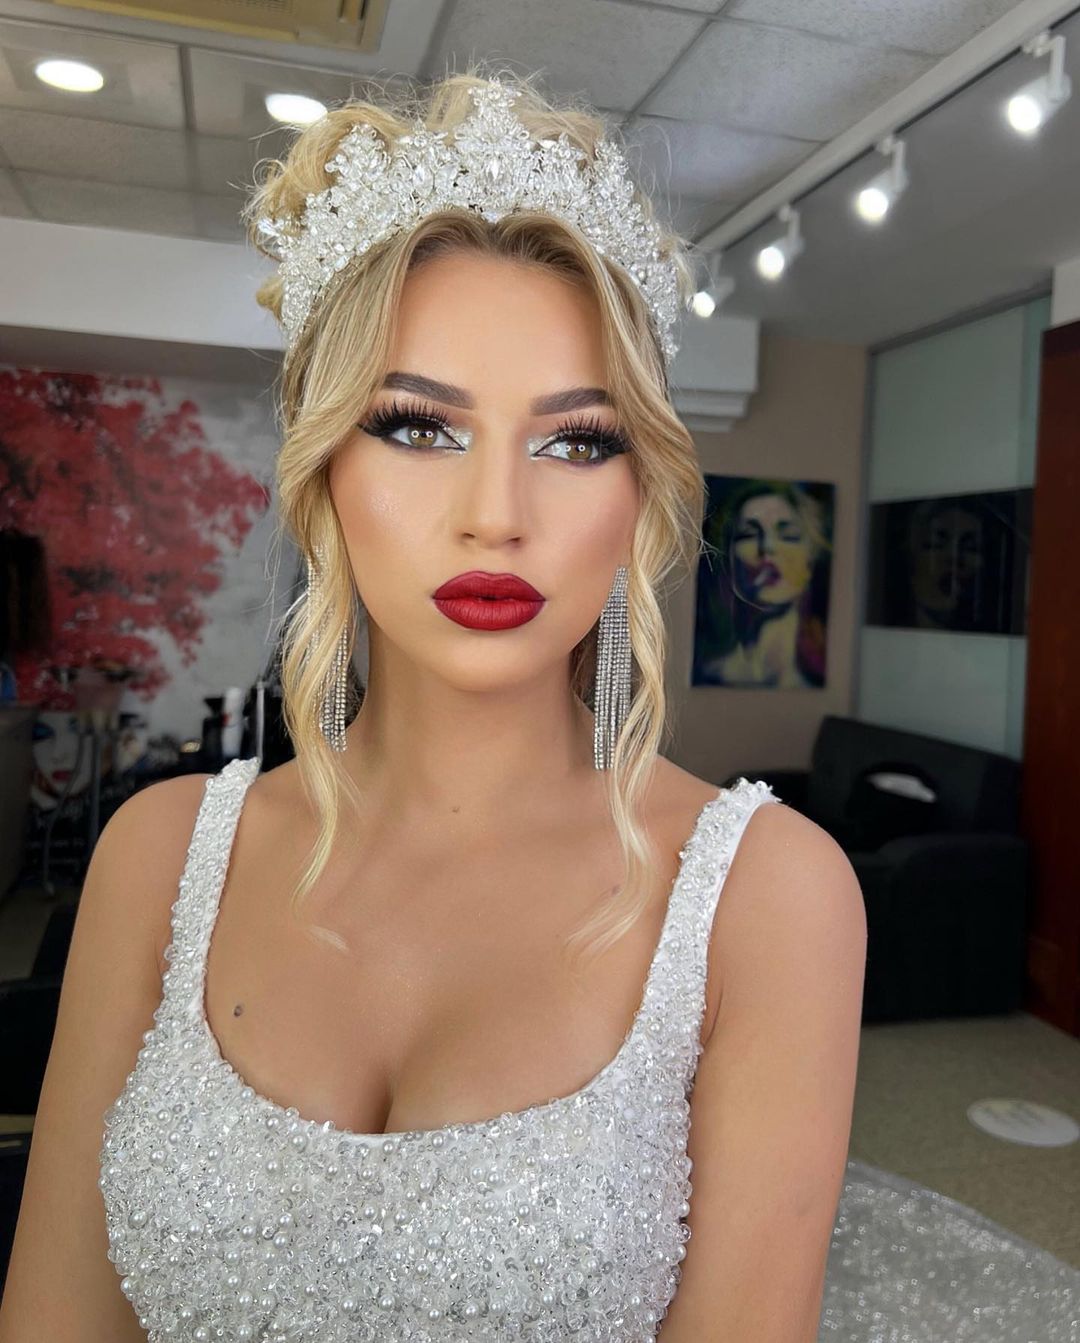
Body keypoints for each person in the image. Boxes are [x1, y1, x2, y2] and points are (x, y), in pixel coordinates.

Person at [0, 65, 1074, 1343]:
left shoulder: (767, 897)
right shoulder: (160, 856)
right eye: (418, 426)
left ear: (639, 493)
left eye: (575, 439)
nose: (496, 514)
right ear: (324, 463)